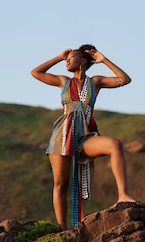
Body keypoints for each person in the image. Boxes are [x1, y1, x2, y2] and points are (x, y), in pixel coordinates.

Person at [31, 45, 138, 230]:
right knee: (60, 184)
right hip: (62, 136)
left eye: (71, 57)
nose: (67, 60)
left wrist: (103, 59)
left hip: (85, 137)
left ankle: (122, 194)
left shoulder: (95, 82)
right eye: (67, 58)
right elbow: (36, 72)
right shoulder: (63, 81)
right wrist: (59, 56)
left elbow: (125, 79)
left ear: (82, 61)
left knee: (114, 144)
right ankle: (62, 230)